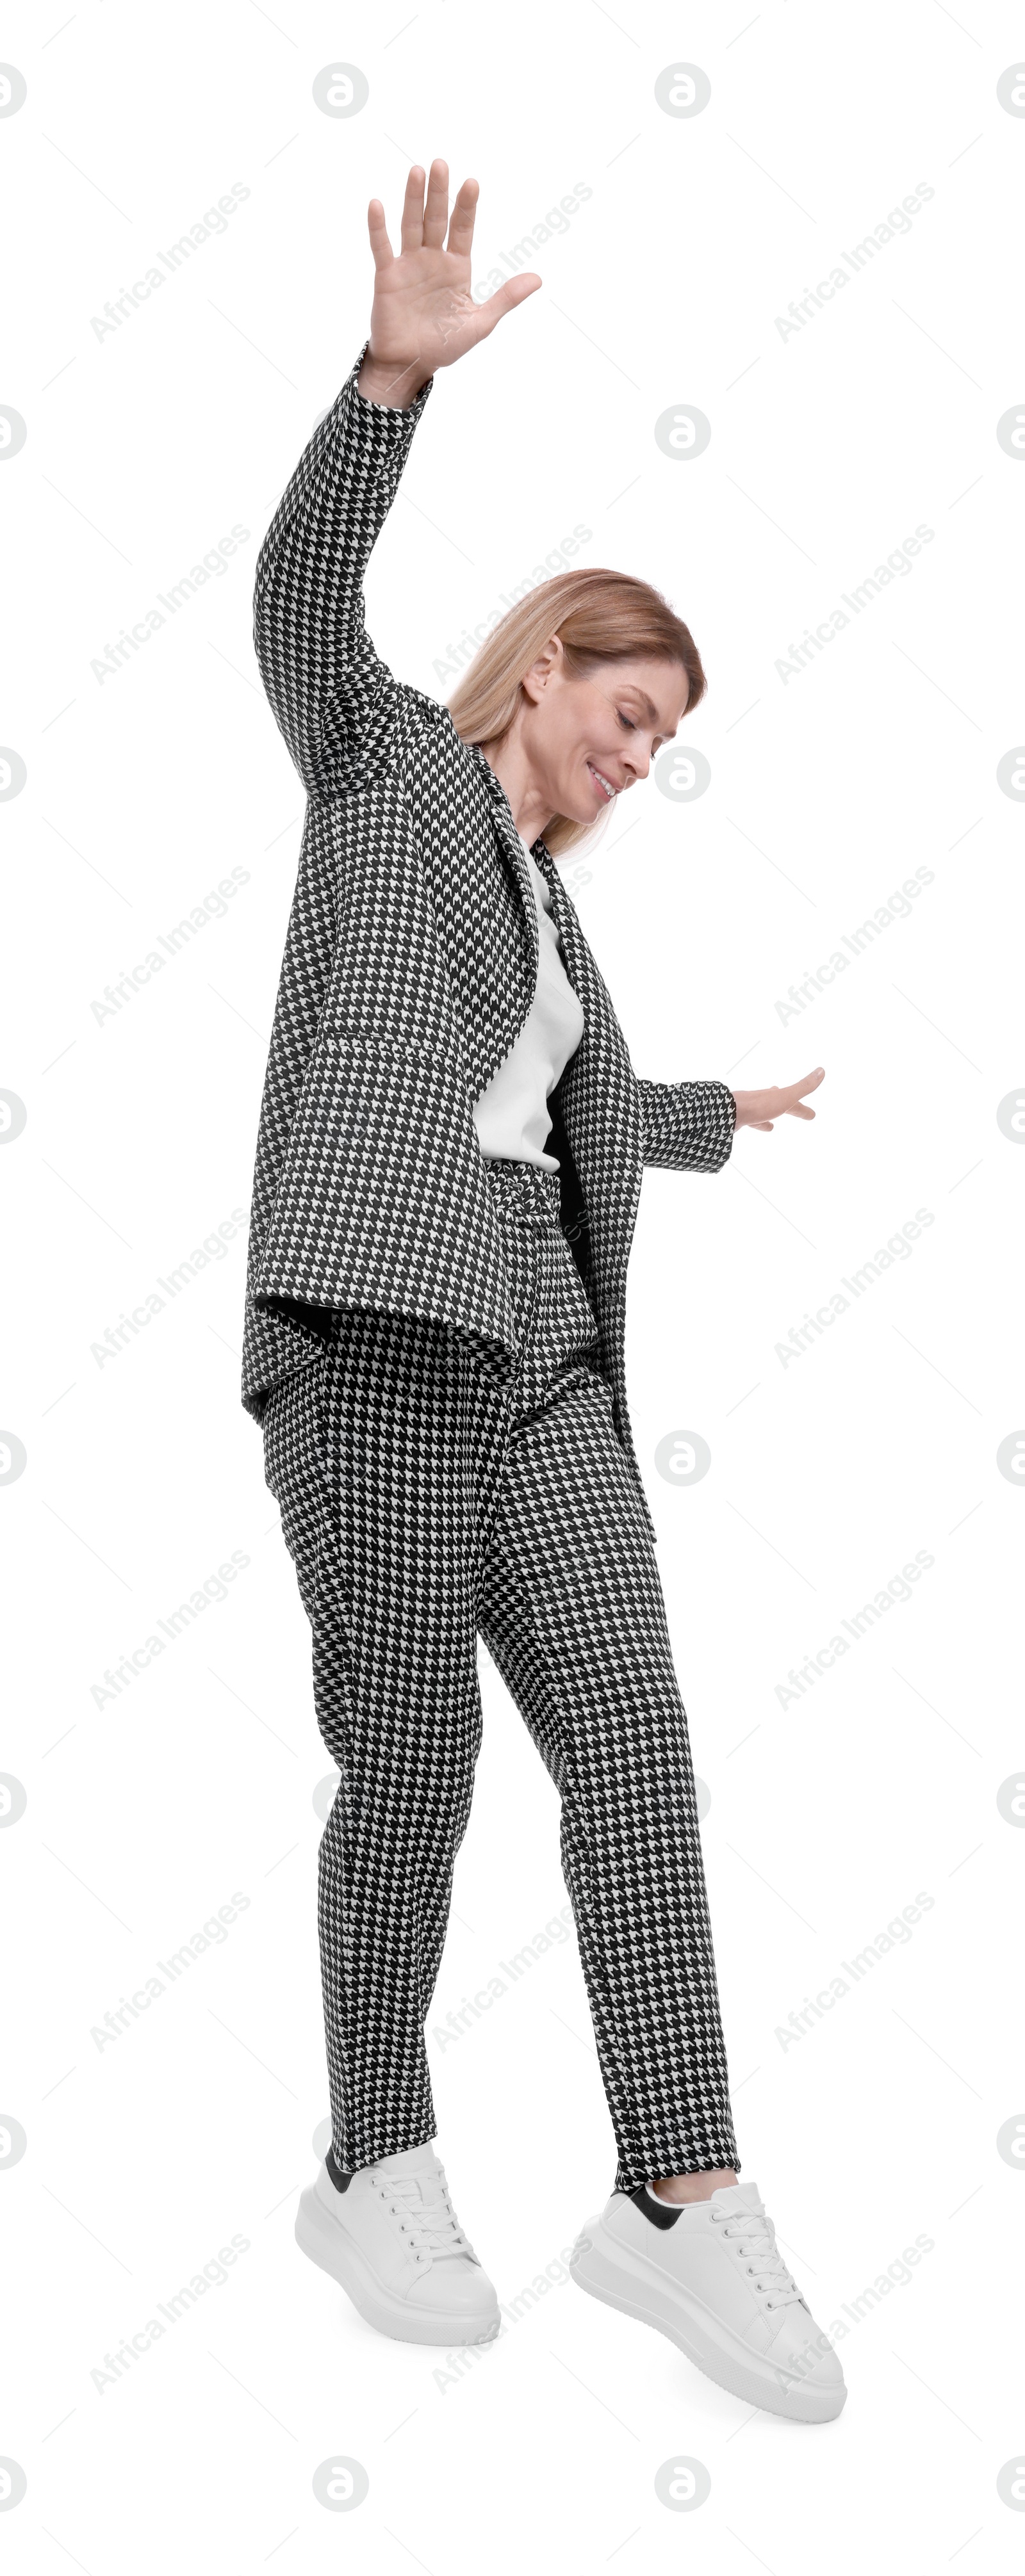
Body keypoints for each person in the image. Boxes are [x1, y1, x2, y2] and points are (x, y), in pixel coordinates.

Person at [242, 159, 844, 2425]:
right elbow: (303, 601)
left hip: (555, 1375)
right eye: (633, 705)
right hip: (381, 1338)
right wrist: (391, 383)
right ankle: (371, 2150)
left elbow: (564, 1109)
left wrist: (710, 1113)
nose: (643, 749)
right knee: (408, 1765)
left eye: (671, 736)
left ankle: (675, 2197)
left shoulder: (560, 929)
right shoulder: (392, 774)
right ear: (548, 665)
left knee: (633, 1761)